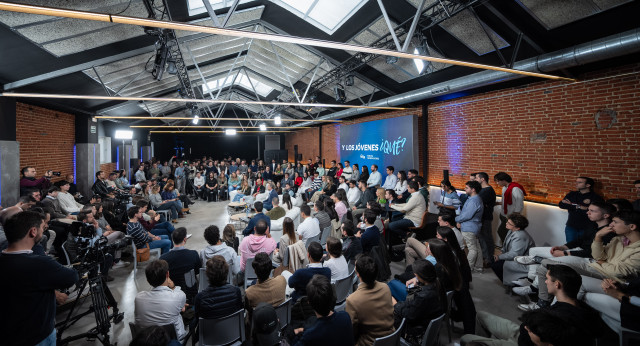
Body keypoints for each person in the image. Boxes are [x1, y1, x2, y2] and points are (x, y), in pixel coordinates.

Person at [519, 210, 640, 311]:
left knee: (552, 269)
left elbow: (617, 272)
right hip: (595, 266)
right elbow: (598, 256)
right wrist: (598, 237)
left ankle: (537, 263)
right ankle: (543, 303)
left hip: (609, 278)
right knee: (544, 266)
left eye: (615, 222)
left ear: (632, 226)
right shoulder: (619, 239)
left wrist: (601, 262)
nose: (611, 225)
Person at [461, 265, 604, 345]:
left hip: (522, 343)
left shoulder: (559, 319)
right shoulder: (582, 309)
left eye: (547, 279)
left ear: (557, 284)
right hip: (521, 332)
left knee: (466, 339)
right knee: (480, 315)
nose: (545, 282)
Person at [0, 211, 78, 346]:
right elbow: (72, 277)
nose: (45, 229)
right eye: (42, 227)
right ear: (33, 232)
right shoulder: (40, 264)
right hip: (37, 337)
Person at [512, 201, 615, 294]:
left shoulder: (609, 233)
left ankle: (533, 288)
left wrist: (565, 253)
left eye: (592, 211)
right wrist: (563, 247)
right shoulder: (592, 224)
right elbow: (579, 240)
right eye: (588, 210)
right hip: (577, 251)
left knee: (549, 261)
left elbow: (592, 253)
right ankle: (530, 279)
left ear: (605, 215)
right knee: (534, 250)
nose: (588, 213)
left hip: (587, 258)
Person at [346, 255, 394, 346]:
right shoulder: (385, 287)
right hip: (391, 338)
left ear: (358, 274)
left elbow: (351, 331)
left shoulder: (352, 300)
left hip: (370, 343)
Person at [293, 275, 355, 346]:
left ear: (309, 303)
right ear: (332, 296)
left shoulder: (309, 336)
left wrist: (295, 333)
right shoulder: (345, 317)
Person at [134, 260, 188, 342]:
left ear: (148, 281)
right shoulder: (178, 296)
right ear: (168, 274)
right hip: (172, 340)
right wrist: (173, 287)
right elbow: (182, 308)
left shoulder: (138, 298)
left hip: (147, 341)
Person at [392, 260, 445, 341]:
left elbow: (408, 314)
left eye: (416, 274)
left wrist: (395, 304)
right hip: (426, 322)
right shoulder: (437, 284)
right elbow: (410, 302)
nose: (414, 275)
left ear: (420, 276)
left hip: (416, 332)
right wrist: (413, 288)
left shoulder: (423, 296)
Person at [491, 213, 536, 285]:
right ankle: (509, 282)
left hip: (523, 262)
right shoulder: (511, 231)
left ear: (517, 228)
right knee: (493, 262)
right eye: (507, 221)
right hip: (516, 257)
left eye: (509, 223)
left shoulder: (520, 236)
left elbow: (515, 254)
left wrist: (499, 257)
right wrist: (501, 253)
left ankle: (514, 283)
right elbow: (506, 245)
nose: (506, 223)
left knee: (495, 265)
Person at [159, 227, 201, 303]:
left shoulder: (163, 258)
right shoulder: (193, 254)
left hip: (172, 293)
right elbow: (197, 272)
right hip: (190, 292)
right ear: (185, 239)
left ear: (172, 240)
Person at [559, 176, 604, 243]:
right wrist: (577, 207)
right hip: (571, 226)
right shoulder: (572, 194)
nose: (576, 184)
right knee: (570, 246)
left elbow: (595, 211)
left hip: (587, 227)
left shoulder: (596, 197)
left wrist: (571, 205)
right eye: (576, 182)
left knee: (584, 247)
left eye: (579, 182)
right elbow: (561, 204)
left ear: (588, 185)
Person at [456, 181, 484, 273]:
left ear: (473, 189)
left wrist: (457, 219)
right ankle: (478, 267)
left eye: (467, 187)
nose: (465, 189)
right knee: (477, 247)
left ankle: (467, 269)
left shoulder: (474, 200)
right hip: (472, 227)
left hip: (469, 227)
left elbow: (467, 215)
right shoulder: (473, 198)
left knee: (472, 249)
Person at [494, 172, 526, 244]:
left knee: (502, 232)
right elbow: (505, 201)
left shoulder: (515, 189)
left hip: (510, 216)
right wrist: (497, 203)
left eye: (497, 181)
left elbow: (519, 204)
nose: (497, 183)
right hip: (504, 214)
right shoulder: (505, 188)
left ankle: (508, 249)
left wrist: (514, 217)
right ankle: (506, 248)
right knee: (504, 233)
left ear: (503, 180)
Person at [475, 172, 497, 265]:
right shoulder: (482, 190)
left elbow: (479, 203)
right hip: (481, 218)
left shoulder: (488, 190)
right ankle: (484, 256)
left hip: (486, 218)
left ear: (482, 179)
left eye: (476, 178)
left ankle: (489, 258)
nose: (475, 180)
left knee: (486, 238)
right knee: (481, 238)